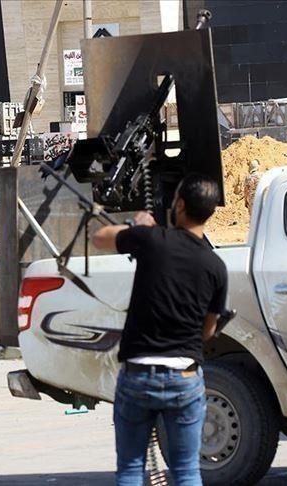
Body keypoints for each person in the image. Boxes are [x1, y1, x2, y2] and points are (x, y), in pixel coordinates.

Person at [92, 174, 227, 486]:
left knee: (130, 469)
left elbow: (100, 238)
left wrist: (136, 227)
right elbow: (207, 332)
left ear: (180, 205)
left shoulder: (152, 241)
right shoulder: (215, 266)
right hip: (184, 378)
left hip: (138, 375)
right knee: (187, 471)